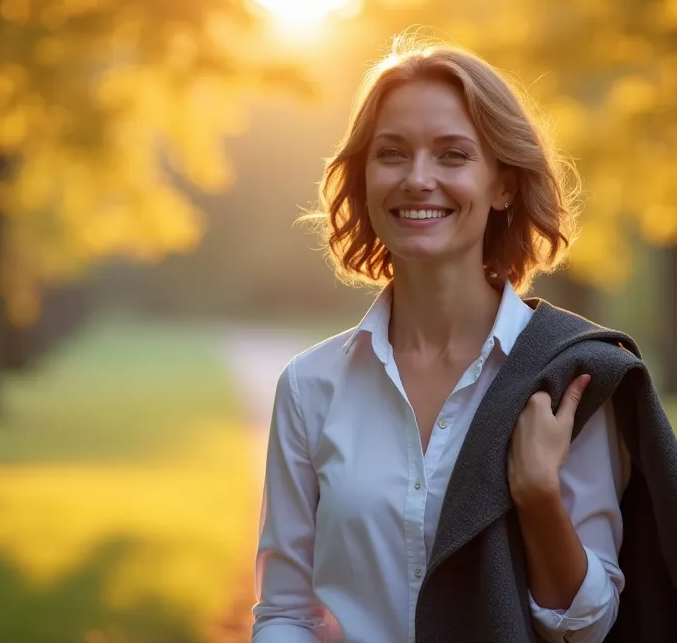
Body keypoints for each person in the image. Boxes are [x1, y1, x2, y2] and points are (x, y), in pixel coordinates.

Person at [251, 36, 628, 643]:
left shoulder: (567, 376)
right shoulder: (309, 388)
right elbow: (286, 613)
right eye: (392, 154)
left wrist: (539, 496)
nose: (418, 179)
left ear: (503, 185)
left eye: (453, 155)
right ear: (365, 178)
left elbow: (589, 628)